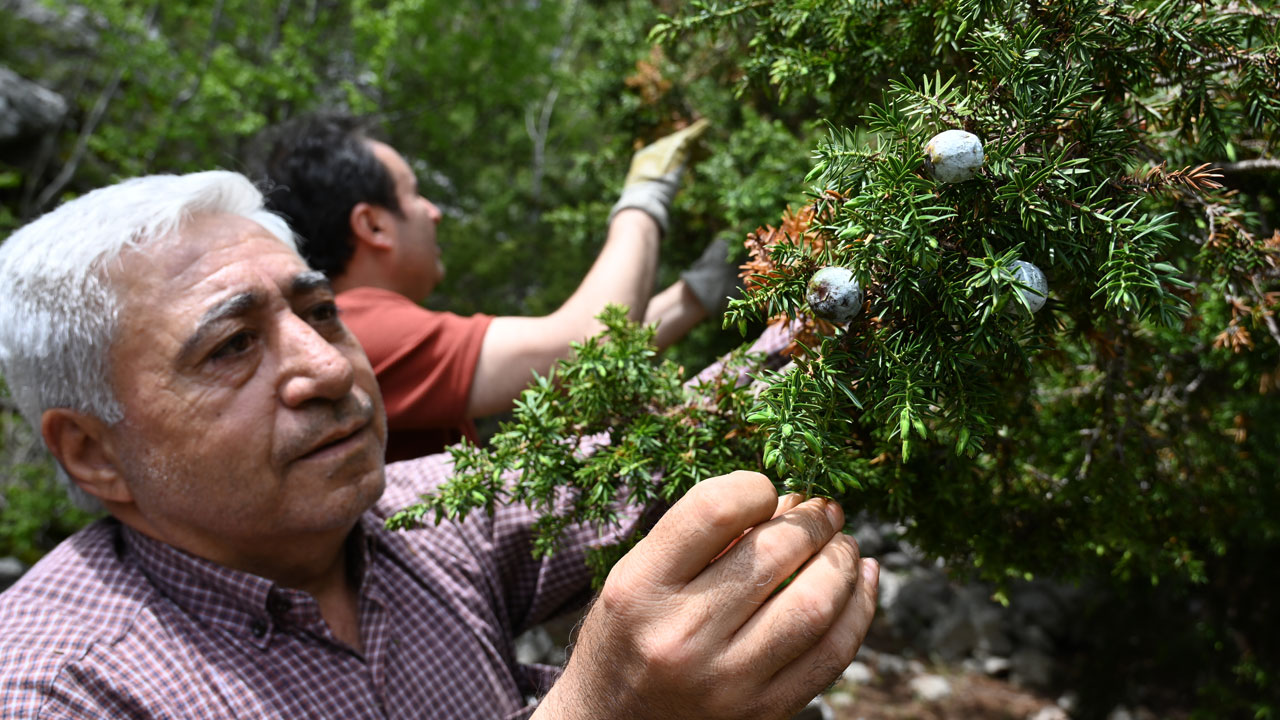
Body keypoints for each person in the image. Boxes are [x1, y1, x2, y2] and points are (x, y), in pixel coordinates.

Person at [0, 171, 877, 719]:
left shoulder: (421, 515)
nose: (328, 368)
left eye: (318, 313)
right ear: (91, 453)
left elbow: (654, 449)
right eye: (231, 347)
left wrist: (851, 305)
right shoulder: (57, 690)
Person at [258, 115, 739, 461]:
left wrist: (701, 288)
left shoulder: (362, 327)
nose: (433, 211)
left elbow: (582, 363)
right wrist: (646, 195)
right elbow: (585, 345)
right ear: (373, 226)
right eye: (413, 193)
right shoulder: (361, 329)